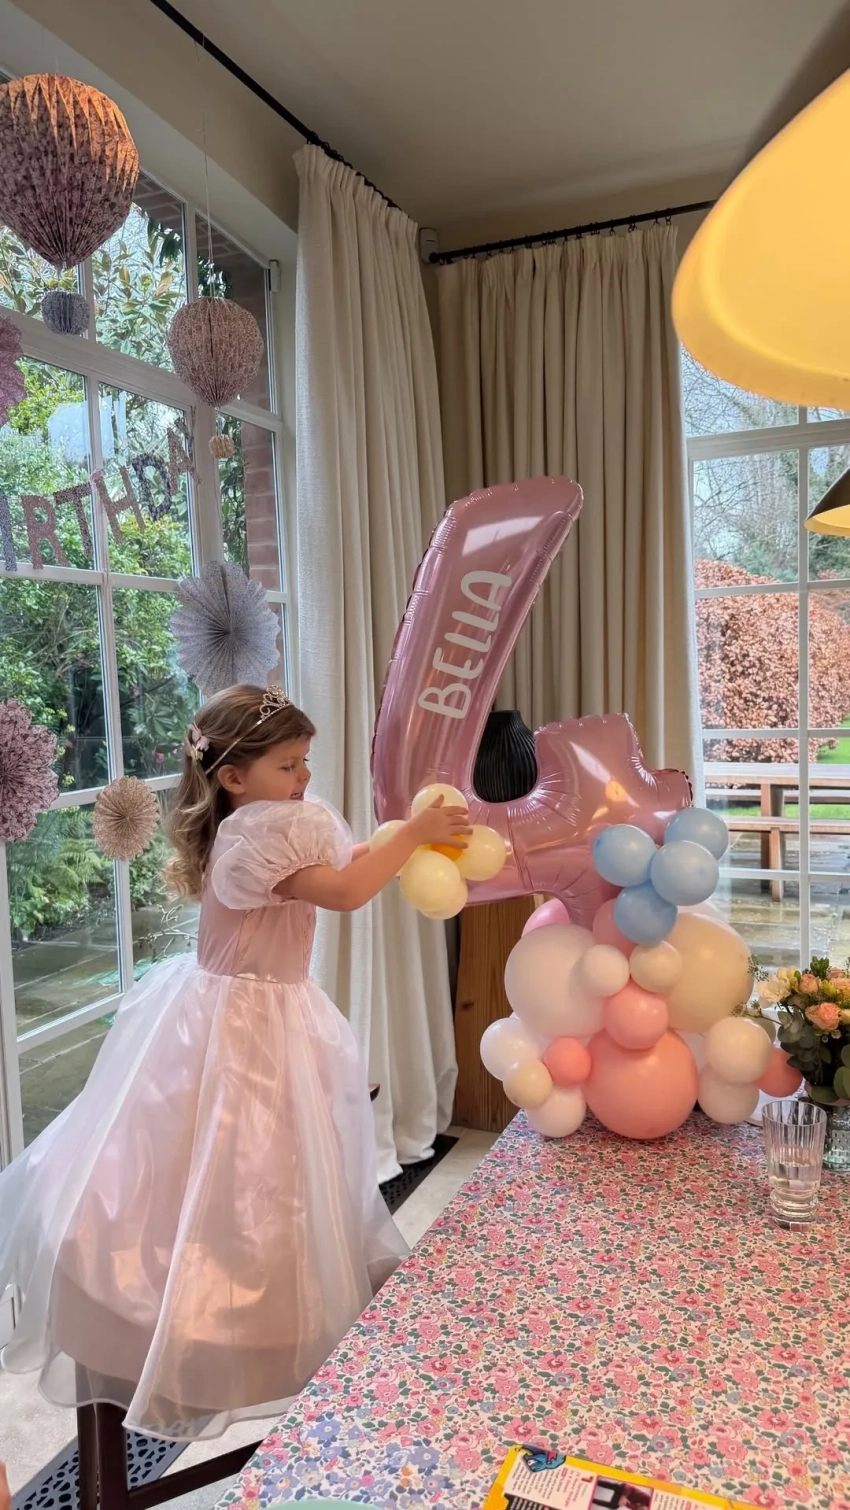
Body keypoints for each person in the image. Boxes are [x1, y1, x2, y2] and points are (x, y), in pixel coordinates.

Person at [0, 684, 470, 1443]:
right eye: (289, 765)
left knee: (273, 1176)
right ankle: (208, 1322)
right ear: (233, 778)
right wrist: (412, 833)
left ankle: (272, 1299)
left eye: (306, 761)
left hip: (270, 1013)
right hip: (241, 1027)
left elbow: (346, 864)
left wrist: (398, 843)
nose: (305, 778)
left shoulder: (268, 826)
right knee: (221, 1167)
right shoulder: (253, 841)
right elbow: (346, 890)